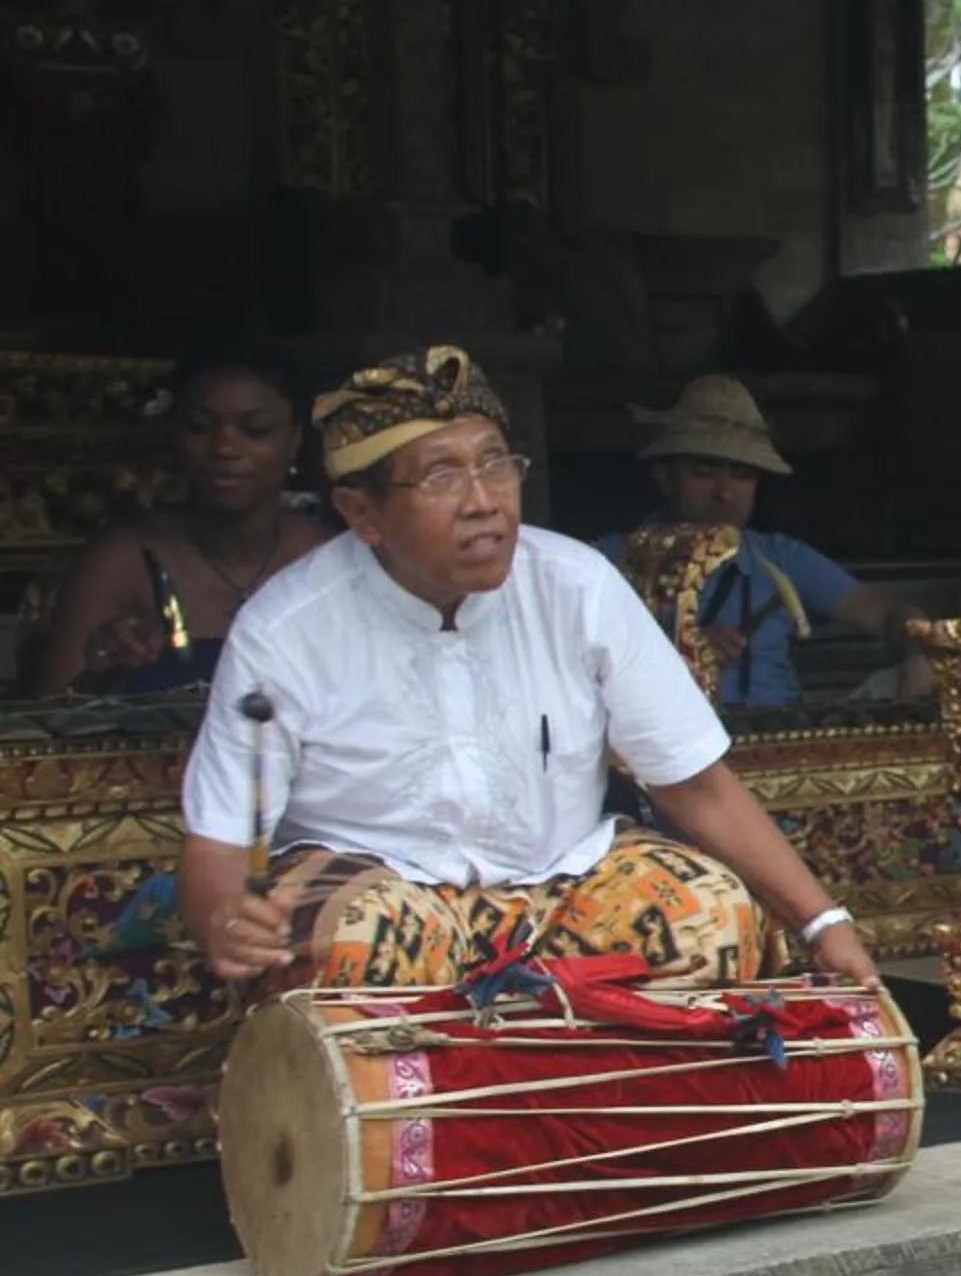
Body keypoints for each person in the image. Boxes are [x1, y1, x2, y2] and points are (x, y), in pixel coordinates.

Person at [178, 346, 883, 995]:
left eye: (494, 464)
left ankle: (591, 1085)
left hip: (562, 886)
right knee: (354, 945)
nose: (483, 500)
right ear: (362, 512)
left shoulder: (578, 584)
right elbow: (221, 840)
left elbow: (694, 783)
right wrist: (224, 918)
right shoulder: (285, 628)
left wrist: (823, 922)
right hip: (386, 892)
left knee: (711, 915)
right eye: (442, 476)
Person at [596, 374, 932, 707]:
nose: (724, 493)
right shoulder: (608, 562)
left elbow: (889, 613)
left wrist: (918, 653)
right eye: (704, 471)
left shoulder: (779, 558)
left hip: (781, 731)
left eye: (742, 475)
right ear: (665, 477)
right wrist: (677, 655)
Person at [35, 352, 336, 696]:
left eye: (255, 430)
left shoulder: (332, 560)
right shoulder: (124, 560)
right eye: (199, 426)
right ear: (174, 434)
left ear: (295, 439)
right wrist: (102, 671)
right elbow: (50, 715)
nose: (224, 448)